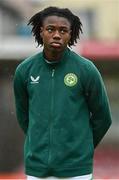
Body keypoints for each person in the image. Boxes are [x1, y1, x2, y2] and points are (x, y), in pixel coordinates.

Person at [13, 6, 112, 180]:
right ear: (41, 31)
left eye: (63, 30)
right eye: (51, 29)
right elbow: (23, 116)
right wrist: (40, 143)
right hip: (37, 168)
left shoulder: (86, 70)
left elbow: (102, 117)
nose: (57, 35)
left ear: (70, 34)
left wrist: (81, 147)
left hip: (77, 170)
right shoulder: (24, 70)